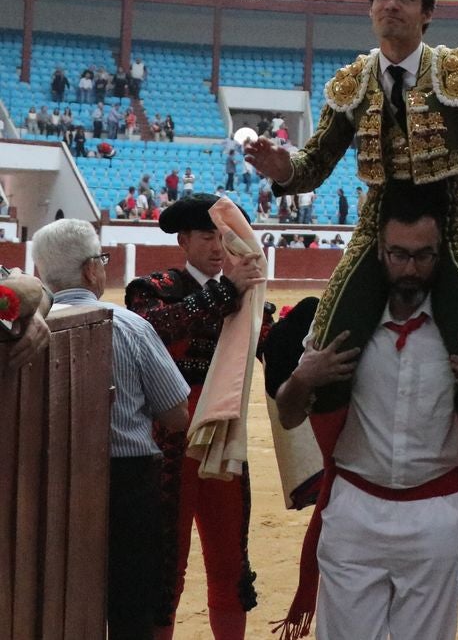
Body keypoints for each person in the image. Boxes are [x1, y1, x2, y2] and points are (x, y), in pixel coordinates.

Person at [244, 0, 458, 419]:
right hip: (376, 226)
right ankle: (328, 452)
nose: (391, 5)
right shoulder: (351, 83)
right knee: (330, 340)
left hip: (449, 226)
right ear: (371, 7)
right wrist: (284, 169)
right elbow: (314, 164)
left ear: (427, 13)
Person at [272, 181, 458, 639]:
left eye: (423, 255)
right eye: (399, 254)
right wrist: (303, 377)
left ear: (441, 253)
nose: (410, 268)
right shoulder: (340, 326)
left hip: (434, 515)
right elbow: (291, 415)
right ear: (379, 251)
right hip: (353, 509)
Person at [32, 219, 190, 640]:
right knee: (130, 609)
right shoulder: (130, 325)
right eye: (101, 260)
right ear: (91, 270)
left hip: (45, 483)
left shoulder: (25, 332)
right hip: (127, 483)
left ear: (40, 272)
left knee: (54, 604)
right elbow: (177, 414)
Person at [125, 194, 273, 639]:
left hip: (224, 438)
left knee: (231, 563)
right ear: (184, 241)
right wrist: (227, 291)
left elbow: (275, 351)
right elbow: (155, 329)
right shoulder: (152, 289)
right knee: (166, 563)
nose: (217, 247)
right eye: (207, 237)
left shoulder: (249, 298)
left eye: (224, 238)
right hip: (170, 439)